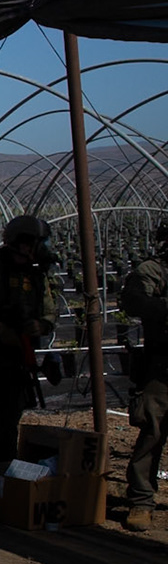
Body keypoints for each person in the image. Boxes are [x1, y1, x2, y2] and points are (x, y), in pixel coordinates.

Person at [0, 215, 60, 468]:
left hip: (19, 357)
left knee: (10, 417)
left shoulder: (37, 276)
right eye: (37, 243)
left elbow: (49, 312)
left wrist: (40, 326)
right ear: (22, 243)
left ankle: (3, 468)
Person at [119, 219, 168, 531]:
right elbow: (133, 301)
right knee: (153, 430)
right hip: (162, 365)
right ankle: (141, 500)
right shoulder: (154, 270)